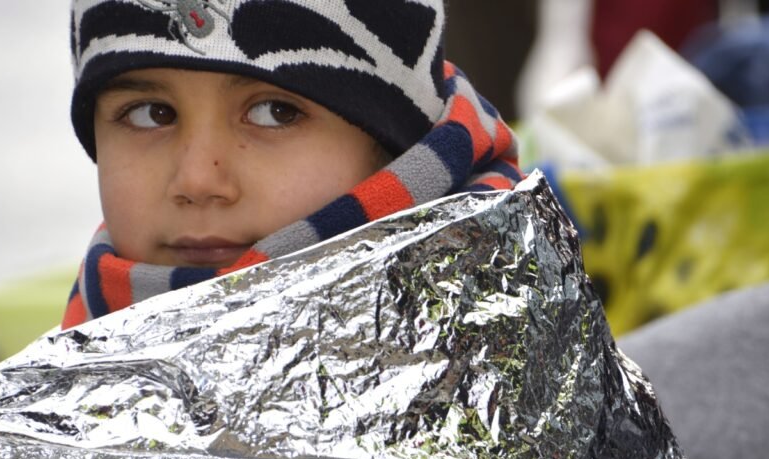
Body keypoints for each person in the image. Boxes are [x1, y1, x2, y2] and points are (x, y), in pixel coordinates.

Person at [61, 0, 522, 329]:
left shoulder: (489, 355)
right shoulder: (64, 375)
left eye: (275, 112)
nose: (198, 180)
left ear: (396, 149)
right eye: (151, 113)